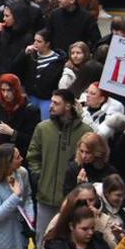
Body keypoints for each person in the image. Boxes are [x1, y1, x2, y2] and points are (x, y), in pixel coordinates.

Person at [27, 90, 92, 222]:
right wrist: (39, 177)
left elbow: (90, 161)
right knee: (42, 239)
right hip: (45, 197)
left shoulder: (85, 131)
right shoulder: (42, 128)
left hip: (72, 199)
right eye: (51, 102)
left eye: (56, 103)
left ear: (68, 106)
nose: (51, 106)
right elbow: (33, 156)